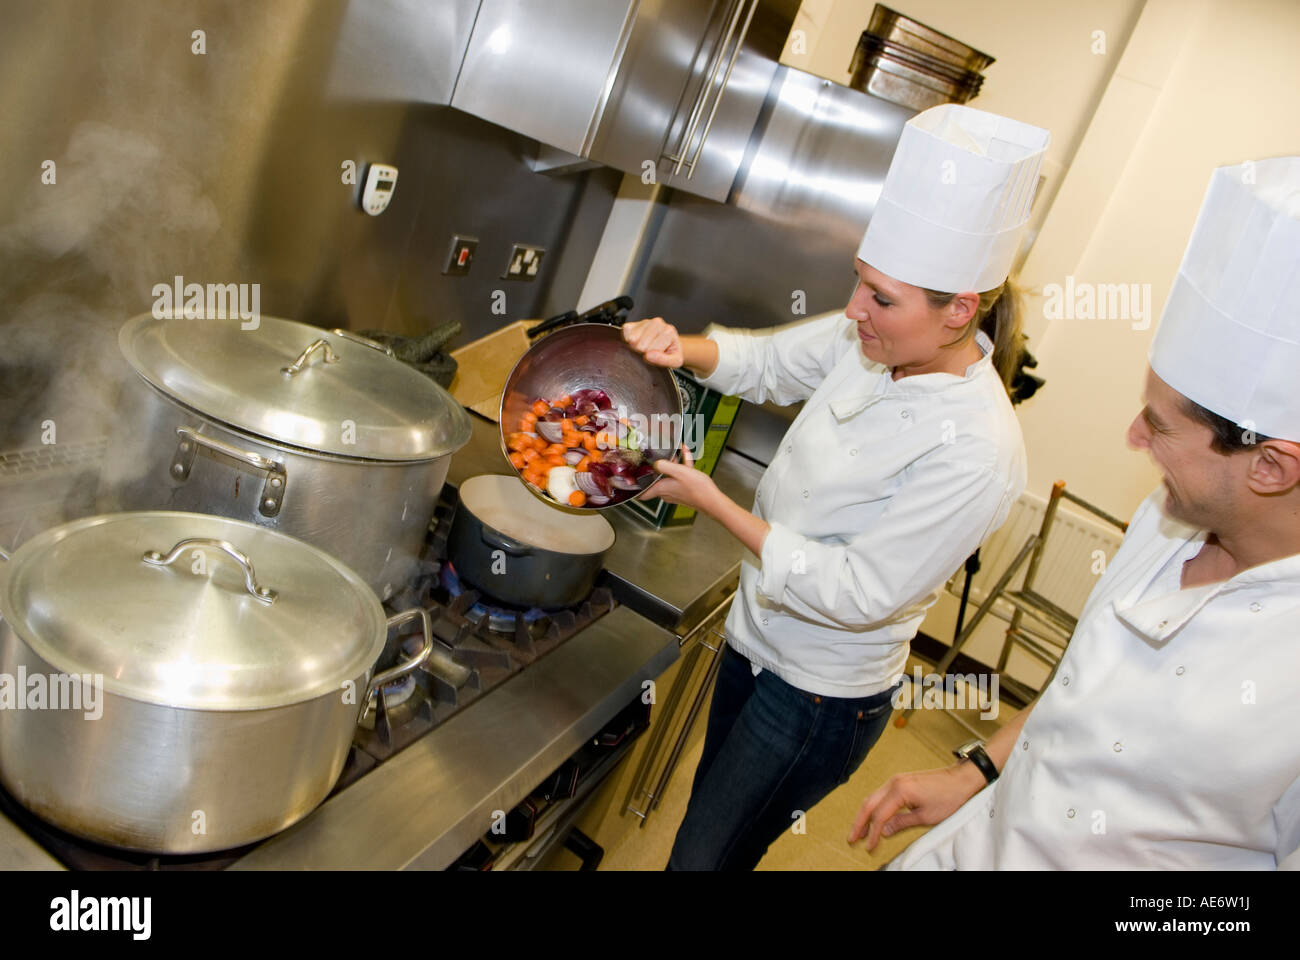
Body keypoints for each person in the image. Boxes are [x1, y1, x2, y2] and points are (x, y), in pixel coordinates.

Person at [620, 104, 1051, 870]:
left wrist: (716, 503)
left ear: (960, 311)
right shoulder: (874, 341)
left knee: (701, 861)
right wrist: (673, 347)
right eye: (860, 283)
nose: (855, 310)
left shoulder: (980, 450)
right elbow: (767, 363)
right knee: (706, 844)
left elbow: (857, 592)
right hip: (755, 641)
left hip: (818, 696)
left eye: (881, 298)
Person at [851, 156, 1300, 870]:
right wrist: (978, 772)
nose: (1132, 439)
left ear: (1271, 466)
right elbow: (1081, 687)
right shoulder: (1165, 518)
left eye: (1159, 427)